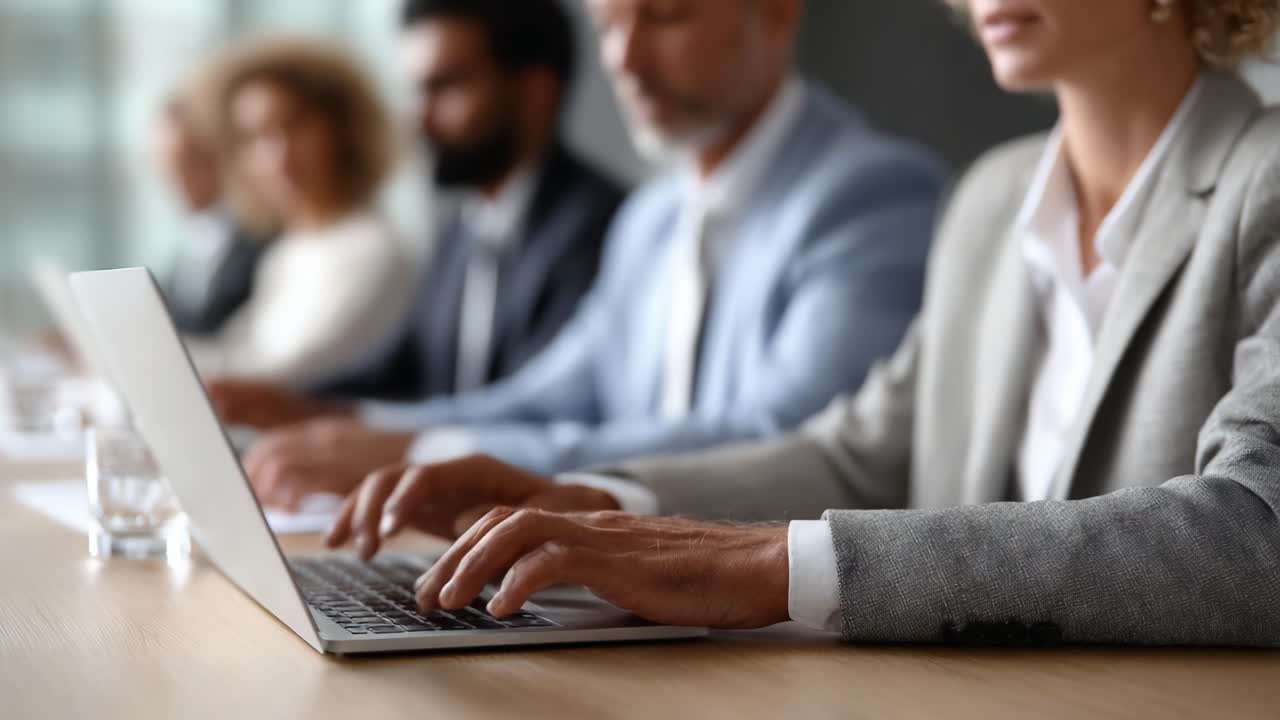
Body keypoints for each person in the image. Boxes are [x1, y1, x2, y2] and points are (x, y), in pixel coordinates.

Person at [330, 0, 1280, 647]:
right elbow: (865, 453)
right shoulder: (992, 201)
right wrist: (604, 501)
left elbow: (1259, 527)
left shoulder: (1263, 180)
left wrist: (779, 564)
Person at [221, 0, 943, 510]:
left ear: (777, 11)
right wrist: (355, 428)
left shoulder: (873, 194)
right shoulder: (650, 217)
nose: (625, 60)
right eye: (608, 25)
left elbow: (782, 438)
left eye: (664, 15)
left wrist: (425, 453)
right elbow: (548, 395)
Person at [210, 0, 624, 423]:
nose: (419, 119)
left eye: (446, 87)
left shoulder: (598, 229)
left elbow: (531, 412)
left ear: (535, 91)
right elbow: (400, 368)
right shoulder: (461, 230)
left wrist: (346, 424)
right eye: (417, 91)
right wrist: (287, 407)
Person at [183, 37, 414, 387]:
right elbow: (240, 349)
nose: (279, 155)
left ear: (341, 129)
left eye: (294, 125)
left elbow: (291, 372)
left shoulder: (373, 249)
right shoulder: (289, 250)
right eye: (255, 137)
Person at [150, 92, 268, 337]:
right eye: (167, 166)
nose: (177, 180)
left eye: (187, 163)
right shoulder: (192, 241)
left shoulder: (262, 236)